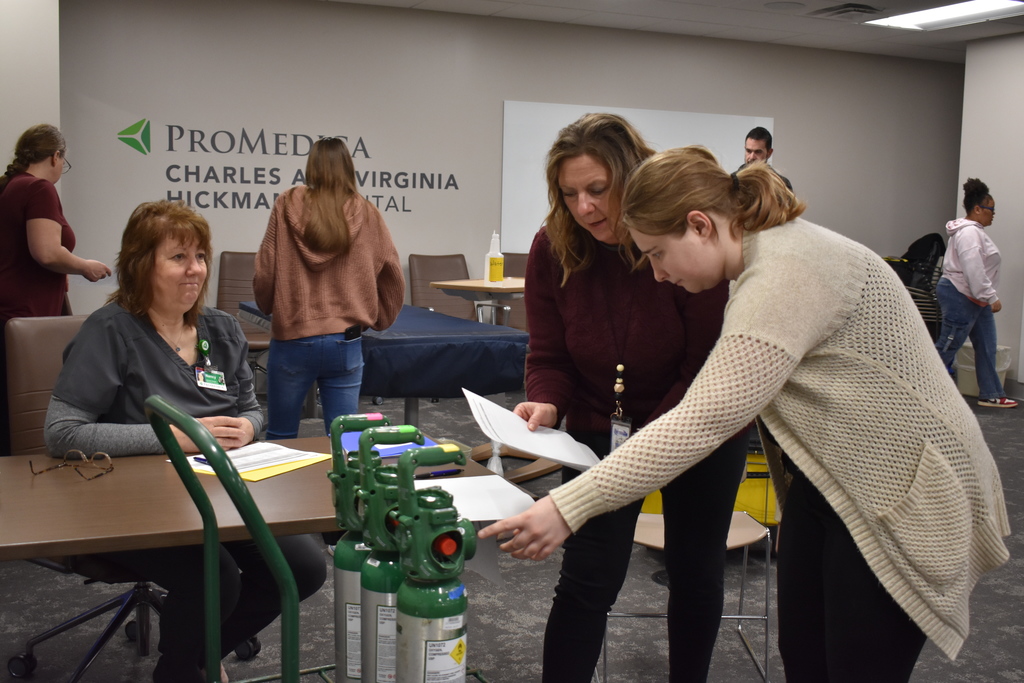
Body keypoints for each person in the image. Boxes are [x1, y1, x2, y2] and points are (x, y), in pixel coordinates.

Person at [480, 147, 1010, 683]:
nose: (658, 275)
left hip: (904, 490)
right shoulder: (758, 258)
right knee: (804, 655)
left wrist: (567, 507)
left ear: (700, 225)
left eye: (658, 254)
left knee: (853, 664)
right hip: (832, 482)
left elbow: (703, 420)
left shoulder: (783, 272)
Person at [44, 200, 326, 683]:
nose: (194, 269)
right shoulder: (110, 331)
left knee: (301, 568)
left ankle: (194, 652)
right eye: (178, 257)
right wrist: (173, 436)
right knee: (215, 578)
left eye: (199, 257)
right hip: (132, 503)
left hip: (220, 491)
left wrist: (251, 427)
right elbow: (62, 433)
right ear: (141, 264)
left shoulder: (221, 328)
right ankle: (181, 671)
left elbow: (248, 408)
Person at [515, 114, 748, 683]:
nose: (584, 208)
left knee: (694, 572)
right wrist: (545, 402)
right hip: (602, 427)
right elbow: (549, 353)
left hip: (697, 426)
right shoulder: (554, 247)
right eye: (569, 194)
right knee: (587, 578)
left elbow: (702, 372)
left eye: (597, 190)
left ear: (632, 178)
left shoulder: (681, 245)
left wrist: (645, 451)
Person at [254, 136, 404, 439]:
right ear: (349, 168)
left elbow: (266, 269)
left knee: (280, 436)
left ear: (311, 167)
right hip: (345, 343)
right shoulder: (368, 213)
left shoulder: (285, 204)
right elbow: (392, 272)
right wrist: (379, 318)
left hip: (292, 338)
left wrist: (268, 304)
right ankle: (342, 487)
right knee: (345, 441)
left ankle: (284, 487)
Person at [0, 123, 111, 456]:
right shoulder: (39, 190)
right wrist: (84, 266)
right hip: (26, 313)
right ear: (55, 156)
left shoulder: (10, 188)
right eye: (64, 161)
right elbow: (46, 251)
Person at [934, 178, 1016, 408]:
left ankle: (991, 393)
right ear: (978, 209)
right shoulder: (969, 233)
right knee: (948, 345)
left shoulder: (975, 232)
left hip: (975, 298)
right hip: (961, 294)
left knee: (988, 346)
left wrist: (984, 296)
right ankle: (919, 390)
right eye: (991, 209)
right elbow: (973, 269)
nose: (993, 214)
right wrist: (991, 296)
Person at [740, 126, 792, 190]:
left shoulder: (781, 185)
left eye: (758, 152)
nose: (752, 157)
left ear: (769, 153)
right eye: (748, 151)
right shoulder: (732, 181)